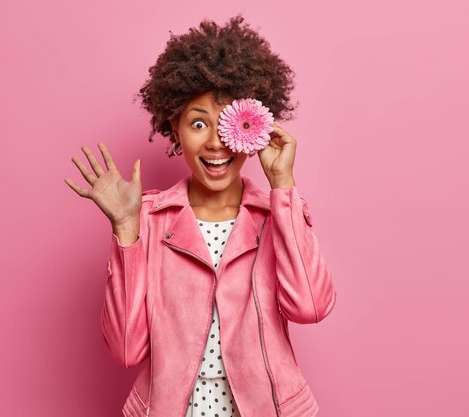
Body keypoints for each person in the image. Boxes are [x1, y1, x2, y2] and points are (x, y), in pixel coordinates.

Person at [65, 15, 337, 417]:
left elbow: (310, 306)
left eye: (228, 124)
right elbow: (126, 349)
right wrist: (126, 229)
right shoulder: (151, 221)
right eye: (197, 123)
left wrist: (283, 184)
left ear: (255, 129)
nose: (214, 142)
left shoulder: (275, 214)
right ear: (174, 127)